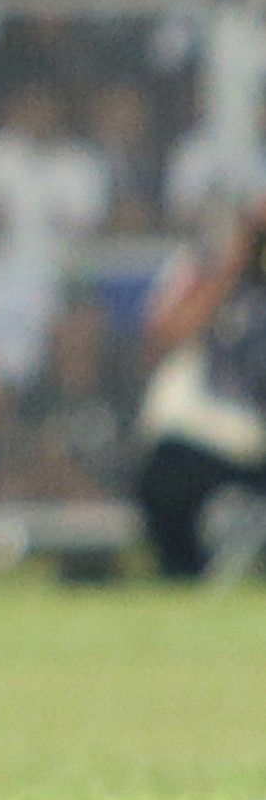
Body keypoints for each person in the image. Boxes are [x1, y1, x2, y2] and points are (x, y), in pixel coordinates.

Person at [132, 203, 266, 578]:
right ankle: (184, 577)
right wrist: (235, 265)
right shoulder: (204, 269)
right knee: (165, 476)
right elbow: (166, 335)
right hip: (221, 428)